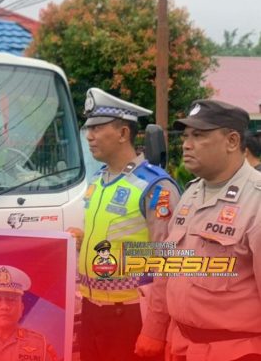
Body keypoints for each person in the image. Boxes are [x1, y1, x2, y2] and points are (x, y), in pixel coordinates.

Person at [136, 100, 261, 361]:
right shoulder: (192, 192)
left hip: (236, 351)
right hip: (181, 346)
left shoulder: (256, 200)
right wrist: (155, 330)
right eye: (186, 136)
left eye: (199, 135)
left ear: (232, 141)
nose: (186, 144)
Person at [70, 88, 181, 361]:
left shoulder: (156, 186)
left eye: (97, 128)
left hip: (130, 314)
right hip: (91, 311)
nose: (89, 136)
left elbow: (167, 262)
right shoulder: (98, 179)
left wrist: (155, 330)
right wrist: (83, 242)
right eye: (88, 128)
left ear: (123, 133)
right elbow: (117, 239)